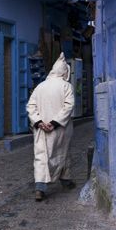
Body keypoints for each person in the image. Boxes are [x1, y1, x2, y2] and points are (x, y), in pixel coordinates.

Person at [26, 54, 76, 201]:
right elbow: (69, 106)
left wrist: (39, 122)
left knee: (41, 156)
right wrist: (54, 123)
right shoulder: (67, 86)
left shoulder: (40, 86)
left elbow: (30, 106)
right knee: (63, 153)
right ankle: (66, 181)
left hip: (41, 129)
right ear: (64, 72)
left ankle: (39, 189)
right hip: (60, 128)